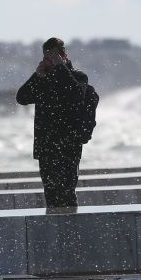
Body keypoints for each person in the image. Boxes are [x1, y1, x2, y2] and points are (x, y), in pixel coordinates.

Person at [16, 37, 96, 213]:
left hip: (68, 145)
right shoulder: (43, 80)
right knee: (50, 192)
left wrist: (61, 67)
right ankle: (54, 231)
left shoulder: (78, 77)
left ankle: (70, 232)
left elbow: (75, 93)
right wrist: (37, 75)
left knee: (67, 191)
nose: (50, 61)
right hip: (46, 146)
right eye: (47, 57)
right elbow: (21, 98)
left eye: (54, 56)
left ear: (63, 55)